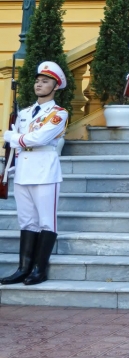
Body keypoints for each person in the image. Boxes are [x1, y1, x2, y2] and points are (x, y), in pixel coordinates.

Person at [1, 62, 68, 286]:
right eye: (38, 81)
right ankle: (23, 268)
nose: (39, 84)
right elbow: (18, 145)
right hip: (23, 170)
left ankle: (40, 269)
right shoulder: (25, 113)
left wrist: (12, 137)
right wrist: (10, 165)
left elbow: (39, 139)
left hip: (44, 171)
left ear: (55, 86)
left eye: (45, 81)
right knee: (27, 221)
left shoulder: (58, 113)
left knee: (47, 222)